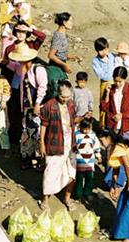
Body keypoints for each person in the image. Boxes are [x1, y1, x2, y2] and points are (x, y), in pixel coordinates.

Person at [39, 80, 77, 212]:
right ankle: (45, 200)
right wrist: (41, 143)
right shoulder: (49, 106)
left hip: (70, 144)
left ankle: (67, 198)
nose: (65, 100)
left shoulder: (71, 104)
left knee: (72, 172)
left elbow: (72, 122)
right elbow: (43, 125)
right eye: (62, 97)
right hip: (55, 144)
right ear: (58, 93)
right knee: (51, 173)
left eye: (67, 97)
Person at [7, 42, 47, 165]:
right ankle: (27, 157)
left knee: (37, 131)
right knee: (26, 130)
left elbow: (42, 87)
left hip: (37, 106)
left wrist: (37, 104)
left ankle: (39, 157)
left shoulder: (38, 69)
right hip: (26, 106)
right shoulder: (25, 70)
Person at [92, 37, 129, 126]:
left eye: (105, 49)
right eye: (101, 50)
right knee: (104, 104)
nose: (104, 52)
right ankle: (102, 125)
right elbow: (100, 74)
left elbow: (121, 60)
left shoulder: (111, 56)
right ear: (97, 50)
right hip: (105, 83)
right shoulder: (95, 61)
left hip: (115, 82)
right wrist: (112, 77)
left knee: (115, 103)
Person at [100, 66, 129, 142]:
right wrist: (107, 93)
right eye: (115, 81)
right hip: (112, 125)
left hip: (126, 127)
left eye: (120, 81)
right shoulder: (110, 90)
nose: (117, 84)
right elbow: (103, 107)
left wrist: (123, 115)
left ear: (125, 79)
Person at [73, 118, 101, 203]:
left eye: (88, 129)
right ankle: (78, 195)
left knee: (90, 178)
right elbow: (73, 147)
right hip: (79, 161)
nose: (86, 131)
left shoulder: (93, 135)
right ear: (80, 127)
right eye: (84, 129)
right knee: (79, 179)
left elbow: (96, 147)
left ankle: (88, 193)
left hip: (90, 162)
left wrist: (98, 156)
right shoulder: (76, 135)